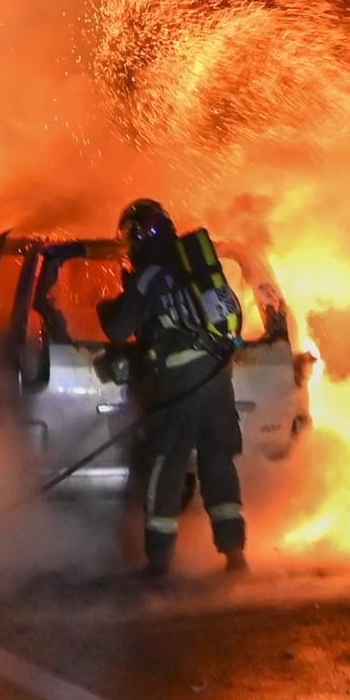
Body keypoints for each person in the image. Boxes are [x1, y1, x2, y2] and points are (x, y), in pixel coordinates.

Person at [99, 199, 247, 577]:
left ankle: (159, 563)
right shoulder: (196, 266)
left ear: (136, 235)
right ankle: (235, 555)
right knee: (218, 464)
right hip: (218, 380)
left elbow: (118, 329)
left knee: (166, 467)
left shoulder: (150, 274)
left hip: (179, 386)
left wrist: (109, 307)